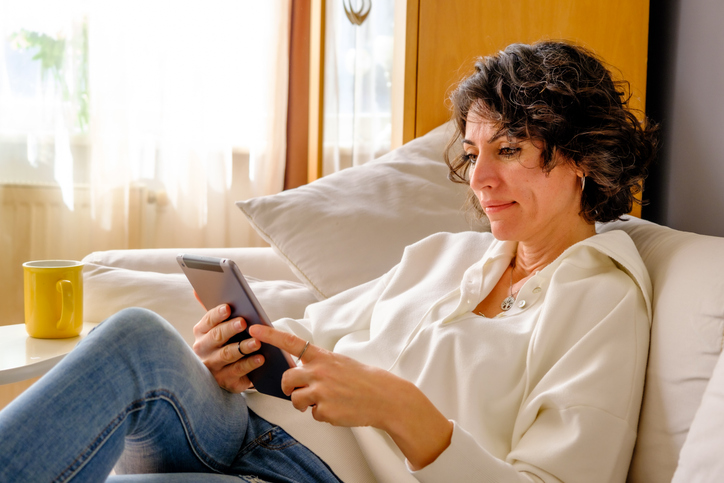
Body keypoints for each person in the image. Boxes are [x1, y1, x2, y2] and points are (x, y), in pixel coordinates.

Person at [0, 40, 658, 482]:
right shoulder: (446, 255)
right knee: (142, 337)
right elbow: (308, 329)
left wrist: (400, 407)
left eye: (508, 148)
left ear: (580, 155)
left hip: (318, 469)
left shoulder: (604, 300)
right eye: (472, 150)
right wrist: (231, 354)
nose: (479, 177)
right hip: (259, 426)